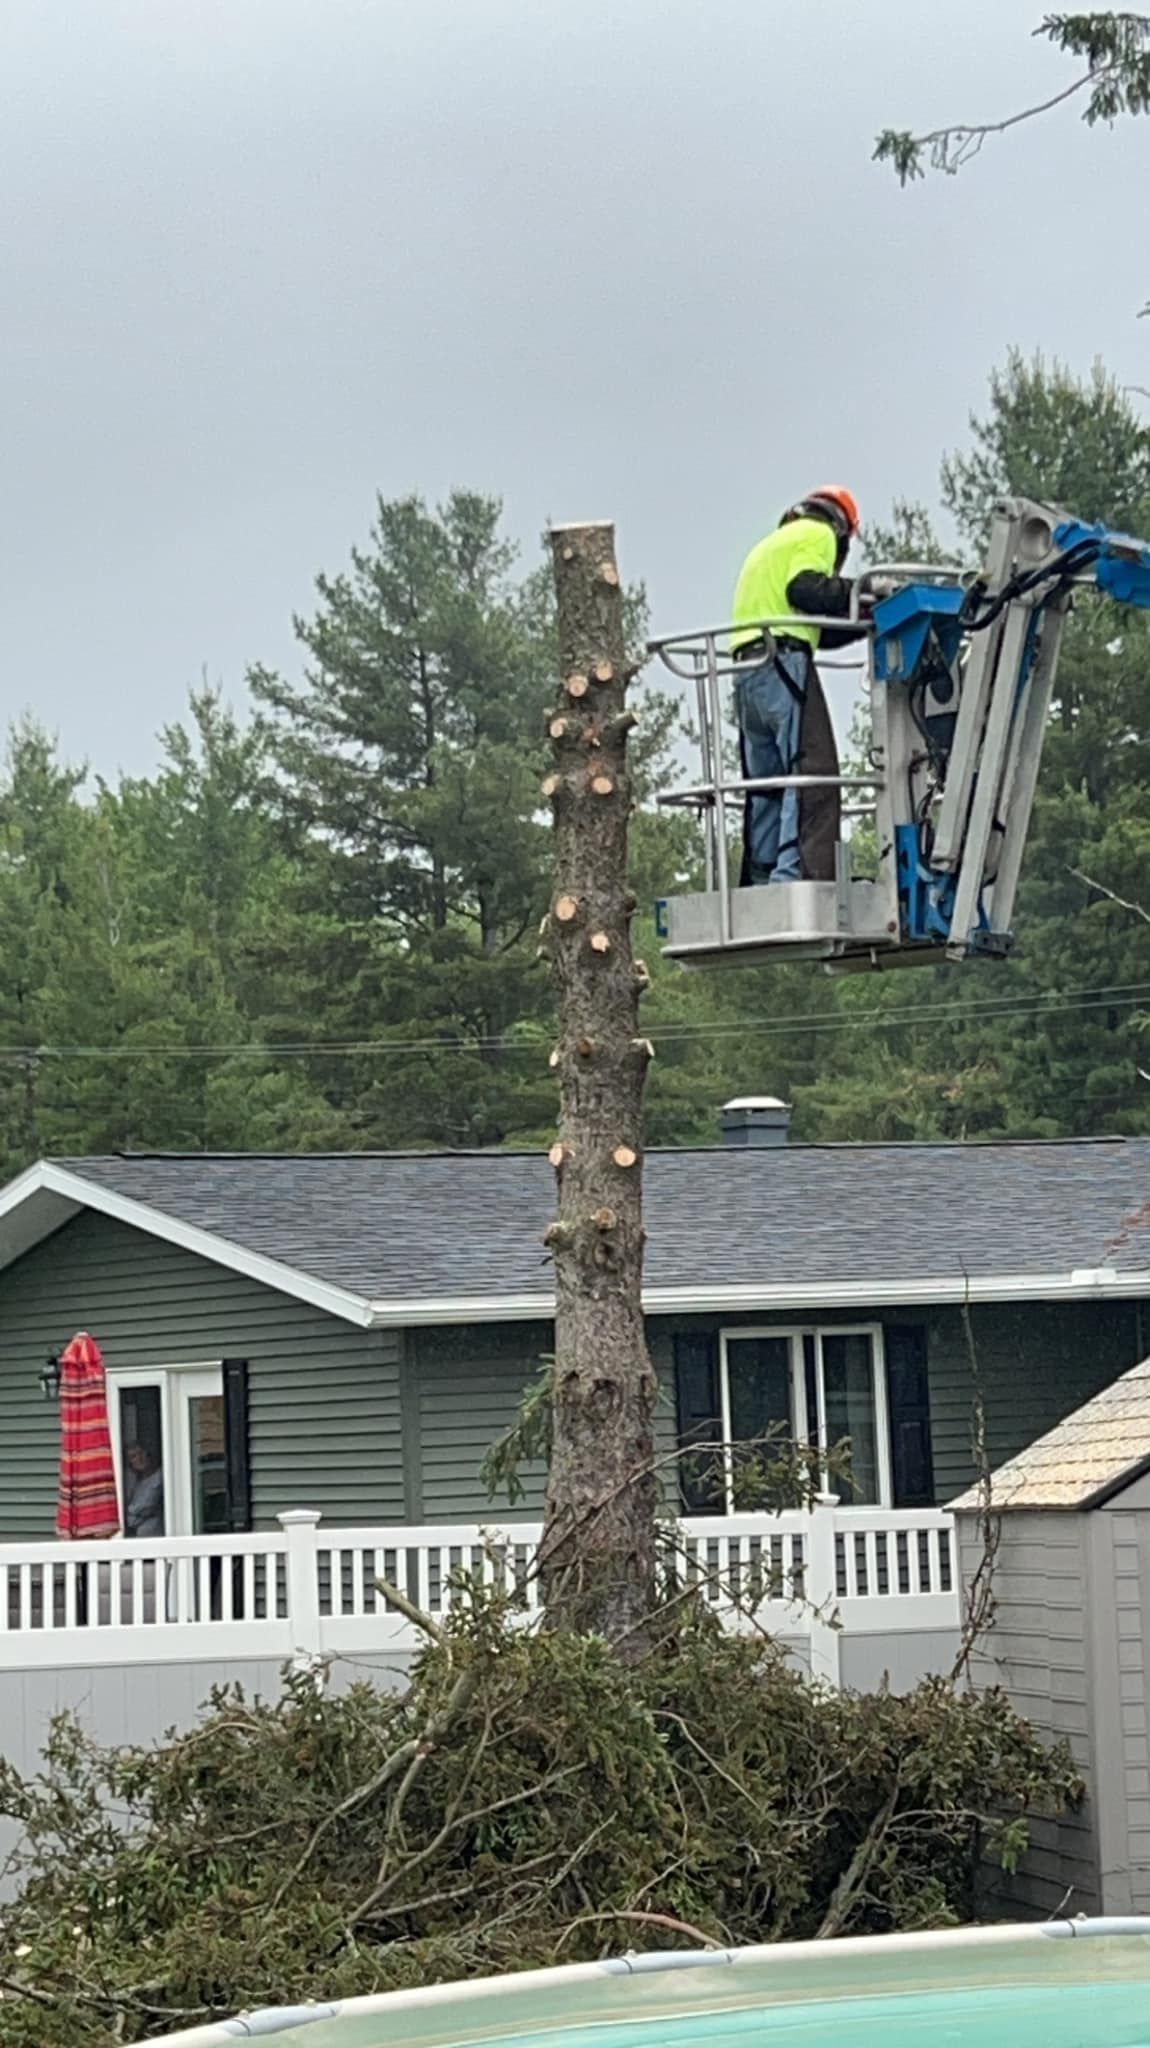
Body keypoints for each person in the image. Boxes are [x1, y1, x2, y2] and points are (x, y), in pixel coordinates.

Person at [730, 485, 868, 886]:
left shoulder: (769, 547)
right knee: (812, 773)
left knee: (767, 784)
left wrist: (864, 621)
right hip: (783, 663)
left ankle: (761, 878)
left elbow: (814, 627)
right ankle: (797, 877)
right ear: (842, 527)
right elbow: (805, 590)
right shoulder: (818, 534)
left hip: (746, 670)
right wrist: (864, 592)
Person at [123, 1441, 165, 1538]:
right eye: (133, 1456)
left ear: (148, 1454)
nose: (139, 1458)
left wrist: (130, 1511)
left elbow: (146, 1506)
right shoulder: (136, 1482)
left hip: (156, 1535)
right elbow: (129, 1520)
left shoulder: (159, 1477)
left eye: (141, 1453)